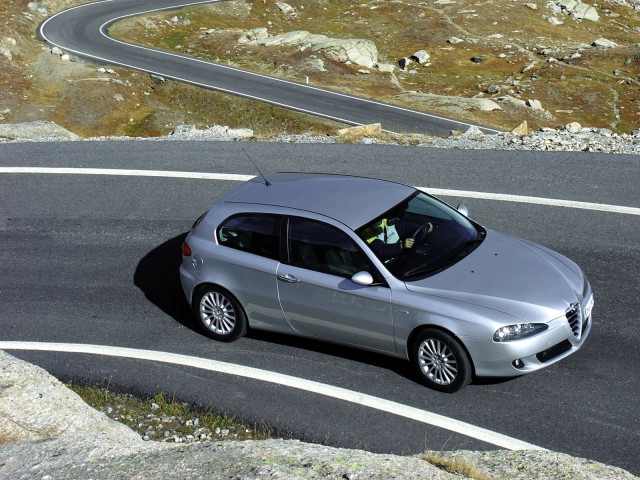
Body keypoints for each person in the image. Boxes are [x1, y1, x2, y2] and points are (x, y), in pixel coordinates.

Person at [361, 217, 432, 261]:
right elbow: (381, 249)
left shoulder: (387, 221)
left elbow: (405, 227)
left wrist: (424, 228)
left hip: (403, 255)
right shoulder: (367, 234)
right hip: (389, 263)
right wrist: (401, 245)